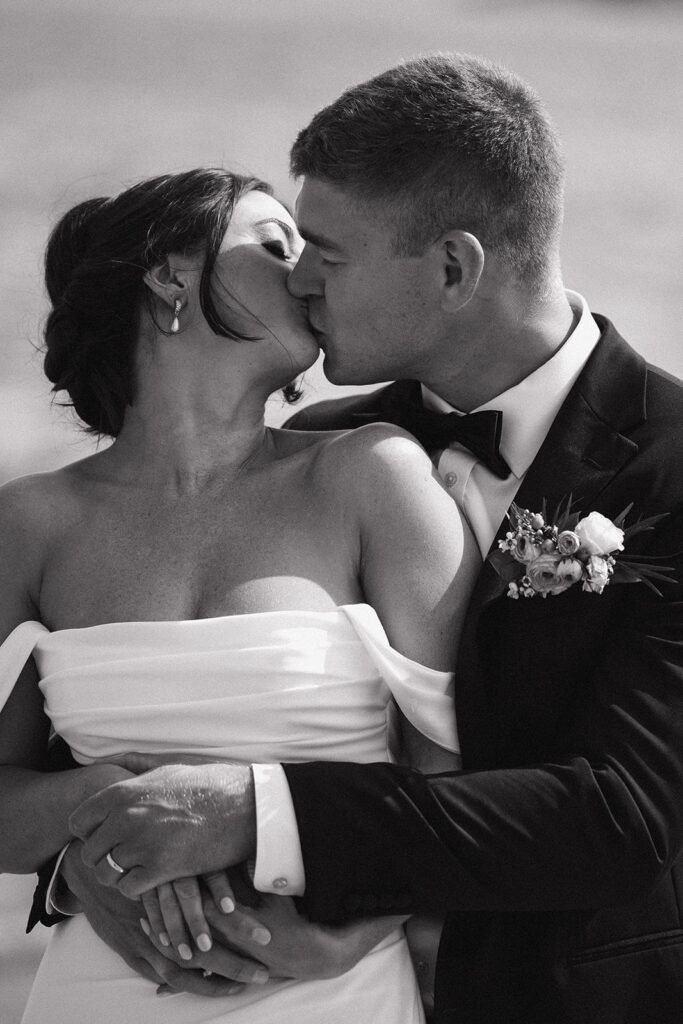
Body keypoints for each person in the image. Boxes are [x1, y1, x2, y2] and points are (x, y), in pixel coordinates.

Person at [60, 54, 683, 1023]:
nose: (297, 280)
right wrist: (89, 863)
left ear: (451, 268)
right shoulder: (307, 455)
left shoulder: (671, 465)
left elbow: (617, 815)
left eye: (326, 253)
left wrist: (262, 811)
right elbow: (116, 715)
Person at [0, 166, 482, 1023]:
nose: (308, 275)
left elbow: (468, 780)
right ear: (169, 274)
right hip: (103, 993)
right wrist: (93, 814)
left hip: (331, 991)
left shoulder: (370, 477)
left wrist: (365, 928)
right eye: (275, 245)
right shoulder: (34, 521)